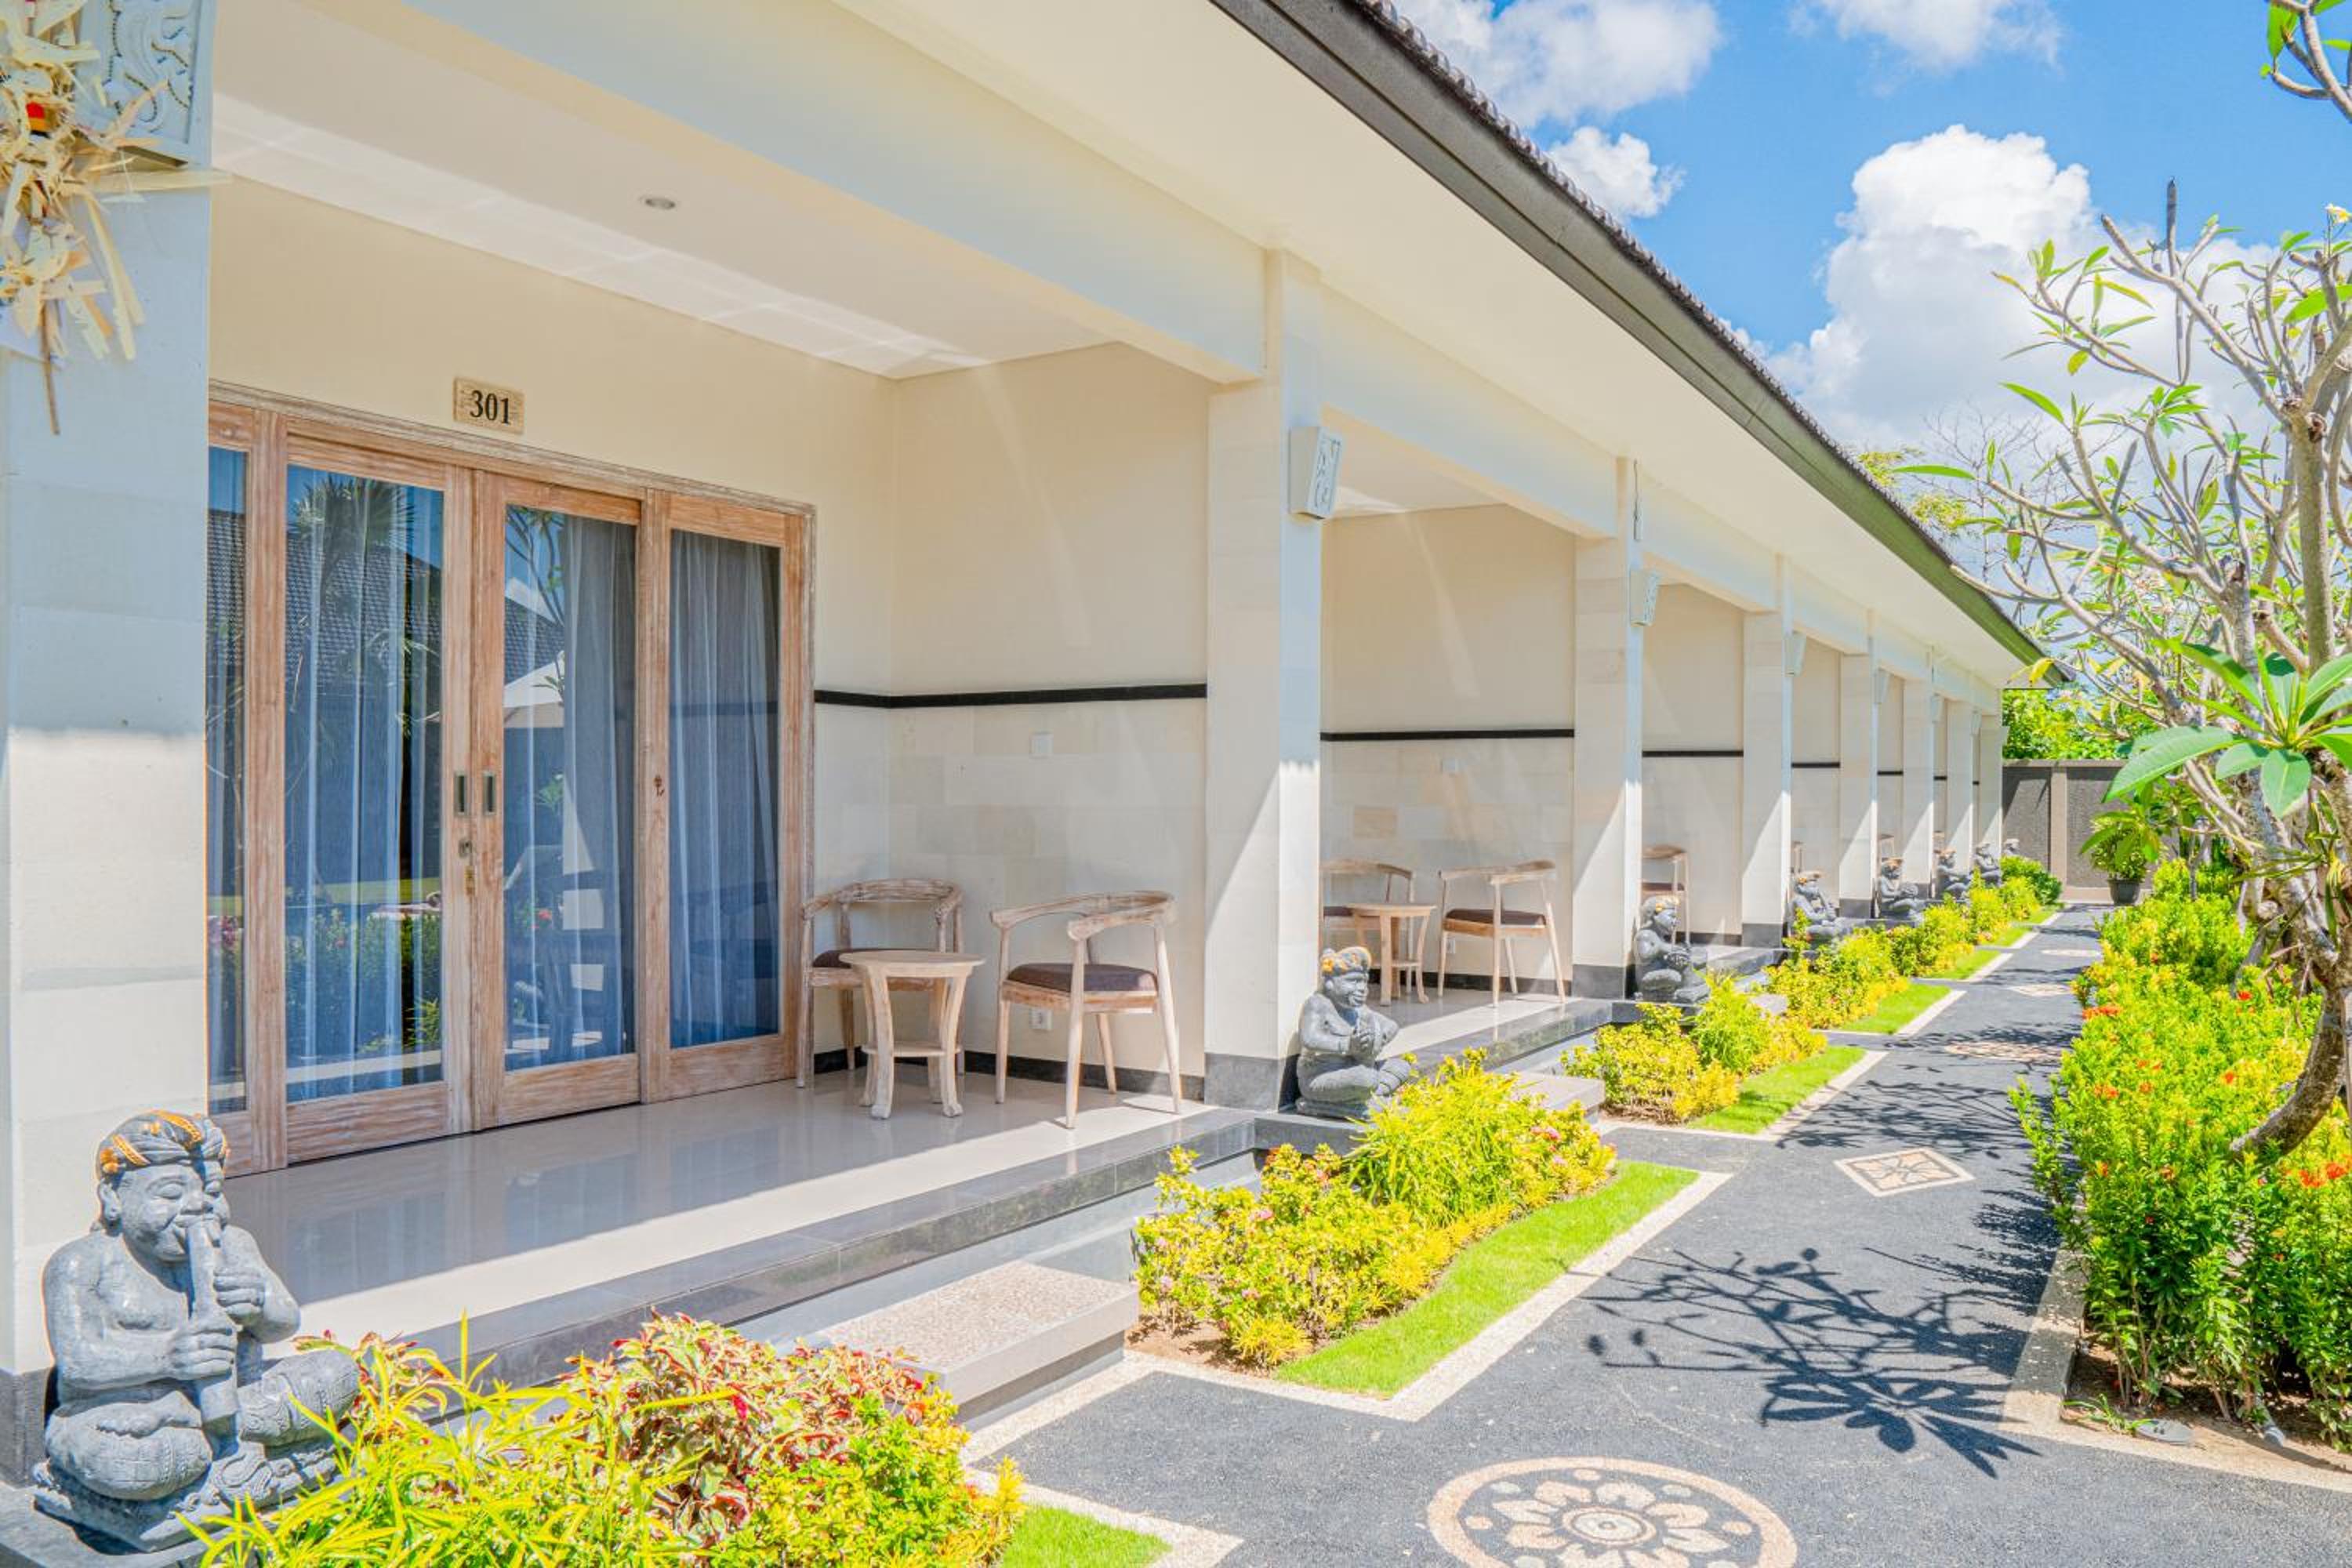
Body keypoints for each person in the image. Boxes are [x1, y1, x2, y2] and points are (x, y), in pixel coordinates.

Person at [35, 1112, 356, 1548]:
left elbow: (285, 1321)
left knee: (337, 1372)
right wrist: (167, 1356)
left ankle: (210, 1429)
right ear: (113, 1197)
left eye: (210, 1192)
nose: (195, 1207)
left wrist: (258, 1305)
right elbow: (78, 1362)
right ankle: (227, 1445)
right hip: (120, 1416)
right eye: (169, 1194)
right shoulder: (83, 1263)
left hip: (236, 1400)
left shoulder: (234, 1244)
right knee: (136, 1463)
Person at [1294, 946, 1412, 1118]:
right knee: (1366, 1079)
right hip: (1321, 1076)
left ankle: (1365, 1096)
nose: (1362, 988)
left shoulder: (1357, 1009)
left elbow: (1391, 1025)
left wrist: (1375, 1040)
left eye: (1364, 981)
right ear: (1330, 982)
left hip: (1354, 1068)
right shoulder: (1317, 1004)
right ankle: (1359, 1098)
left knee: (1401, 1067)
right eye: (1354, 981)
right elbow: (1310, 1038)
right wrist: (1348, 1045)